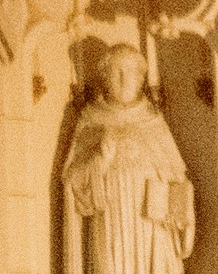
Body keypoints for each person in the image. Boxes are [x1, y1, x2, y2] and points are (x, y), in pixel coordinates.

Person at [57, 31, 190, 274]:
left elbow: (177, 176)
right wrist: (99, 160)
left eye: (130, 73)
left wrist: (179, 212)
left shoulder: (153, 122)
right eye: (116, 72)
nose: (123, 79)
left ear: (141, 79)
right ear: (104, 78)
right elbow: (71, 181)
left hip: (149, 224)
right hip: (111, 220)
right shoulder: (91, 122)